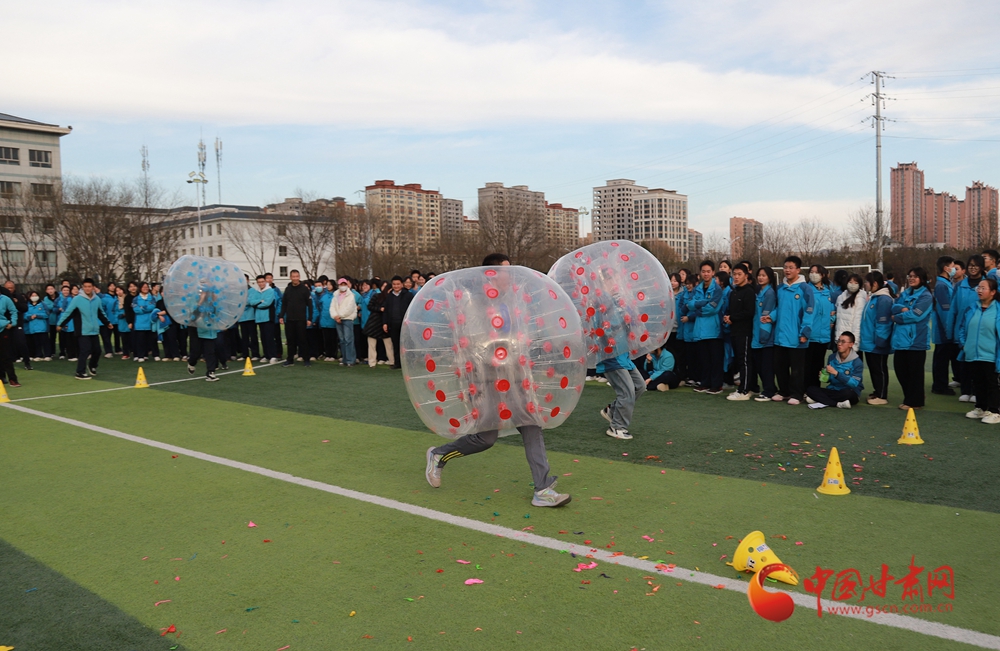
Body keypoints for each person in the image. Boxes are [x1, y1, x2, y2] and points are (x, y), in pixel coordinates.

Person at [424, 253, 571, 509]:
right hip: (486, 378)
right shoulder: (474, 304)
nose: (510, 275)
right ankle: (440, 454)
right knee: (486, 438)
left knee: (531, 423)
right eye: (506, 271)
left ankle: (542, 489)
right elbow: (473, 343)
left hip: (515, 374)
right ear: (491, 275)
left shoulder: (512, 302)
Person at [957, 277, 1000, 424]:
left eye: (983, 288)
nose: (979, 291)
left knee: (992, 383)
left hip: (991, 354)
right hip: (972, 354)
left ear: (993, 292)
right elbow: (962, 328)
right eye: (978, 288)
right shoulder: (972, 308)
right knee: (978, 382)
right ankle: (980, 407)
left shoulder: (998, 309)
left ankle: (994, 411)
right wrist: (964, 344)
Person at [773, 256, 814, 405]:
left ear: (798, 270)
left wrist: (804, 332)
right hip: (780, 335)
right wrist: (770, 317)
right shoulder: (780, 289)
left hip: (796, 337)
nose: (787, 270)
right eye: (785, 267)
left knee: (797, 369)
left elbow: (809, 312)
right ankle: (783, 391)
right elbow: (777, 308)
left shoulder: (805, 289)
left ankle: (797, 394)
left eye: (791, 267)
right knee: (780, 366)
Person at [891, 267, 933, 410]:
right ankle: (913, 396)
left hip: (916, 340)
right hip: (900, 340)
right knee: (900, 370)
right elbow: (893, 306)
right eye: (910, 276)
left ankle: (915, 402)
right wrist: (902, 309)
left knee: (914, 373)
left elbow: (915, 315)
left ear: (922, 278)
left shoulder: (926, 296)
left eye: (915, 276)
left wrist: (897, 317)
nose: (911, 278)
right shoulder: (905, 293)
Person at [56, 278, 112, 380]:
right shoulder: (77, 299)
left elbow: (100, 312)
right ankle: (80, 372)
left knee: (97, 351)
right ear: (82, 287)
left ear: (93, 287)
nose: (87, 288)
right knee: (85, 350)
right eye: (85, 287)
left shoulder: (97, 299)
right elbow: (68, 312)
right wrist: (60, 324)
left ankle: (92, 366)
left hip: (94, 330)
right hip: (82, 330)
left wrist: (107, 323)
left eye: (89, 286)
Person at [688, 260, 724, 394]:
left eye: (708, 271)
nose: (706, 274)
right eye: (703, 271)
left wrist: (698, 309)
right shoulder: (697, 288)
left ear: (713, 273)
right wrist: (704, 302)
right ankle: (705, 383)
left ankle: (716, 385)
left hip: (713, 329)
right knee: (704, 359)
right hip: (700, 330)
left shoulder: (717, 289)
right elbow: (689, 304)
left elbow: (713, 309)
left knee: (715, 359)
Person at [860, 271, 894, 405]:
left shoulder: (883, 299)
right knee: (874, 368)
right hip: (869, 341)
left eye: (867, 282)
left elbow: (883, 322)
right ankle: (877, 391)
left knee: (879, 369)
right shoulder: (874, 297)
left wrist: (881, 340)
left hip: (877, 342)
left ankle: (882, 395)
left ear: (874, 283)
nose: (865, 284)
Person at [806, 332, 864, 409]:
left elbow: (854, 384)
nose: (839, 344)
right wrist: (825, 376)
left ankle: (821, 399)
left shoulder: (857, 362)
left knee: (849, 394)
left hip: (849, 392)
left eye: (843, 342)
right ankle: (837, 404)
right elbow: (830, 380)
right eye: (838, 341)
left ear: (851, 344)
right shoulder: (832, 357)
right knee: (811, 389)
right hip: (833, 390)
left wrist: (836, 373)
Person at [725, 263, 756, 400]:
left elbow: (749, 312)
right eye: (734, 274)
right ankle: (747, 387)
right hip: (734, 330)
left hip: (745, 331)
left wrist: (733, 318)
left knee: (745, 361)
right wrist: (728, 317)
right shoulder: (734, 292)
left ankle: (744, 390)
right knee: (739, 360)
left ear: (746, 275)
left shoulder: (749, 292)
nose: (736, 277)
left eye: (739, 274)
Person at [931, 256, 959, 396]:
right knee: (941, 359)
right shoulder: (941, 285)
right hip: (943, 330)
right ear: (946, 268)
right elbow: (945, 310)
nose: (954, 269)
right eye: (953, 266)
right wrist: (949, 330)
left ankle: (940, 384)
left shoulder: (946, 283)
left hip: (945, 329)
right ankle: (940, 385)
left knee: (942, 357)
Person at [805, 265, 835, 388]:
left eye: (816, 272)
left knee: (818, 365)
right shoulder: (806, 290)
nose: (813, 274)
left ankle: (815, 389)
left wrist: (831, 320)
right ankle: (805, 389)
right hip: (810, 335)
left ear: (822, 275)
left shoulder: (828, 291)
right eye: (811, 272)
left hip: (824, 335)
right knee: (807, 365)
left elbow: (832, 309)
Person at [751, 266, 778, 402]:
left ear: (770, 278)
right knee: (760, 365)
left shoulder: (769, 293)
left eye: (764, 275)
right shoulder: (759, 291)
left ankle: (769, 391)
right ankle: (770, 388)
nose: (760, 278)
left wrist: (764, 335)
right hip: (757, 334)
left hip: (764, 336)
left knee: (766, 366)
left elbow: (765, 317)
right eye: (759, 275)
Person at [279, 270, 313, 367]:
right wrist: (281, 316)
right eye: (293, 276)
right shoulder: (288, 289)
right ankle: (290, 360)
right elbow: (284, 304)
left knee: (303, 340)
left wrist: (310, 318)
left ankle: (306, 359)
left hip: (301, 319)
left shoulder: (304, 289)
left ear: (299, 277)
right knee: (290, 340)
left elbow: (310, 305)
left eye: (297, 276)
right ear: (290, 277)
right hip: (289, 319)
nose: (295, 278)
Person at [381, 275, 412, 369]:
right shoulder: (389, 296)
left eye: (398, 284)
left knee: (406, 344)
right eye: (394, 284)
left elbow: (413, 309)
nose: (396, 286)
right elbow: (386, 311)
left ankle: (408, 363)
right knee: (395, 344)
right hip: (393, 324)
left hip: (405, 324)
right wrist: (385, 323)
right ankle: (397, 363)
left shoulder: (408, 295)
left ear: (402, 284)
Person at [835, 273, 867, 353]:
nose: (853, 285)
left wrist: (854, 342)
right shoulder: (840, 297)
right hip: (840, 337)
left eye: (856, 283)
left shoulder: (860, 299)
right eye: (850, 282)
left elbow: (858, 322)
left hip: (851, 341)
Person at [250, 275, 279, 363]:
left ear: (265, 282)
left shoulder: (270, 290)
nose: (261, 283)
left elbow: (267, 303)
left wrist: (258, 304)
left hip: (268, 317)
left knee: (269, 337)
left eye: (262, 281)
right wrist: (260, 301)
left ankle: (273, 355)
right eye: (259, 282)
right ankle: (266, 355)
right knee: (263, 338)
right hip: (259, 318)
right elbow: (251, 302)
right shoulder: (256, 291)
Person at [330, 277, 358, 366]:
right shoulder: (335, 295)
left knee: (348, 340)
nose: (342, 286)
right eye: (341, 284)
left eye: (344, 284)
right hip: (338, 320)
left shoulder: (351, 296)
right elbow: (332, 307)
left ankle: (351, 360)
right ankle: (345, 359)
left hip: (347, 319)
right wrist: (335, 316)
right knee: (342, 340)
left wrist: (339, 316)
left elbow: (349, 309)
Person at [363, 284, 389, 367]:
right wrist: (380, 309)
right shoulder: (377, 296)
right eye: (383, 286)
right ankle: (372, 362)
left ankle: (392, 361)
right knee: (372, 345)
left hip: (385, 323)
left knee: (388, 344)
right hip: (374, 323)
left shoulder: (391, 298)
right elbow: (370, 306)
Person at [131, 282, 157, 362]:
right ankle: (140, 355)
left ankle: (146, 355)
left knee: (149, 340)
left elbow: (152, 307)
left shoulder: (152, 298)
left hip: (149, 322)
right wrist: (146, 309)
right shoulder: (136, 299)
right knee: (140, 340)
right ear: (140, 288)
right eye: (143, 287)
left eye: (146, 287)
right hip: (139, 323)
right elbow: (136, 309)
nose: (145, 288)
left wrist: (142, 308)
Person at [0, 286, 21, 387]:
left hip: (3, 329)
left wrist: (12, 323)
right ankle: (1, 378)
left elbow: (14, 311)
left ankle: (13, 379)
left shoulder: (5, 299)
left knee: (6, 355)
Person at [237, 275, 260, 361]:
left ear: (248, 280)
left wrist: (242, 302)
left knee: (253, 336)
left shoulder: (252, 290)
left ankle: (255, 354)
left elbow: (250, 301)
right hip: (242, 317)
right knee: (244, 337)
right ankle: (245, 354)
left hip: (251, 317)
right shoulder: (239, 291)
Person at [24, 291, 50, 361]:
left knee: (45, 341)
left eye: (35, 295)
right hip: (32, 327)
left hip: (42, 327)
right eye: (32, 296)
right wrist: (30, 317)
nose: (34, 297)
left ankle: (47, 355)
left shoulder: (42, 304)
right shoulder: (27, 305)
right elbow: (25, 316)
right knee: (36, 342)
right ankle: (38, 355)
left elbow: (47, 314)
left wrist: (38, 316)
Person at [43, 284, 60, 359]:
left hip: (60, 320)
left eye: (51, 288)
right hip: (51, 321)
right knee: (52, 337)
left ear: (54, 289)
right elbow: (47, 307)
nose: (50, 290)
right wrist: (56, 308)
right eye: (48, 289)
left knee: (63, 337)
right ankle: (52, 352)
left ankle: (63, 352)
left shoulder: (60, 297)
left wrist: (55, 308)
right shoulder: (46, 299)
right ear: (46, 291)